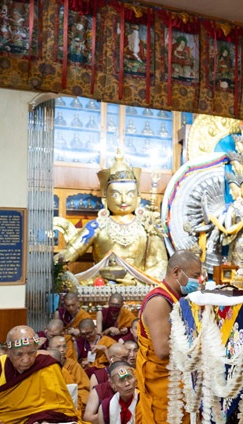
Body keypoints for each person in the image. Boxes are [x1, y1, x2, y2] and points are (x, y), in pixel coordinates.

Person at [54, 151, 168, 285]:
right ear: (105, 199)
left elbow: (160, 265)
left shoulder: (149, 226)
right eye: (116, 194)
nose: (124, 200)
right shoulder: (96, 227)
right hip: (102, 288)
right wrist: (52, 267)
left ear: (138, 198)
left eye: (130, 194)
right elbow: (69, 253)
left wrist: (135, 282)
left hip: (139, 291)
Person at [135, 250, 202, 423]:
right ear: (176, 272)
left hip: (181, 381)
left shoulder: (178, 298)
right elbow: (163, 350)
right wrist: (202, 343)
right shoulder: (159, 302)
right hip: (164, 387)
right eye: (196, 276)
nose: (199, 281)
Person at [0, 325, 79, 423]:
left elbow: (62, 408)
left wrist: (46, 420)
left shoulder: (48, 366)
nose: (26, 360)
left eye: (31, 353)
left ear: (37, 348)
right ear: (7, 351)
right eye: (19, 354)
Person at [49, 335, 91, 416]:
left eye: (64, 347)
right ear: (48, 349)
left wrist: (74, 401)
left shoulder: (73, 365)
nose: (62, 350)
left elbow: (84, 389)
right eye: (58, 347)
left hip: (71, 402)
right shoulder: (43, 366)